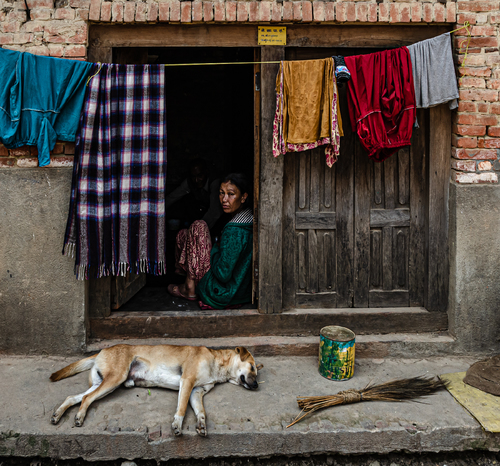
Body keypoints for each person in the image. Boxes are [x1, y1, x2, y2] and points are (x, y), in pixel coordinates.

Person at [167, 173, 253, 310]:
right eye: (221, 193)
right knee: (184, 234)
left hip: (219, 293)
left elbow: (222, 274)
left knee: (198, 226)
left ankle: (189, 287)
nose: (224, 199)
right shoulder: (249, 219)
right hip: (238, 291)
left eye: (231, 194)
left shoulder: (234, 230)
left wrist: (215, 249)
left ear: (244, 197)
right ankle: (188, 281)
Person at [165, 157, 223, 230]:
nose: (196, 180)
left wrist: (198, 229)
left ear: (206, 172)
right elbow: (172, 197)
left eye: (200, 176)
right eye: (193, 177)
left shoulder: (215, 183)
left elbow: (215, 212)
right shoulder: (189, 182)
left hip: (217, 221)